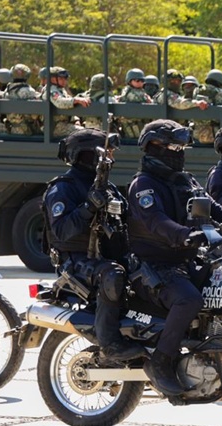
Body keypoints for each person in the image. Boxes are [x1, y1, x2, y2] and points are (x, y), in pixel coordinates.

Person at [127, 119, 222, 397]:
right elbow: (155, 221)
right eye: (173, 146)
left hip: (185, 260)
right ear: (153, 147)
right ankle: (161, 361)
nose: (179, 152)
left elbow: (213, 207)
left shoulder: (184, 179)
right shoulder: (143, 185)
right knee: (188, 299)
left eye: (182, 146)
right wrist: (184, 234)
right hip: (154, 265)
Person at [43, 128, 147, 365]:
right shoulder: (64, 188)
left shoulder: (107, 188)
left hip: (107, 256)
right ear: (89, 154)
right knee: (112, 275)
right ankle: (110, 344)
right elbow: (61, 231)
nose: (112, 156)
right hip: (76, 261)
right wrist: (88, 206)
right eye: (107, 151)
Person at [41, 66, 90, 138]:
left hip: (63, 124)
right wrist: (76, 100)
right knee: (86, 133)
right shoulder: (51, 90)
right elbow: (59, 102)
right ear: (52, 79)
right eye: (61, 78)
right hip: (54, 126)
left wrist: (75, 120)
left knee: (90, 131)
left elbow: (68, 101)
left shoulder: (61, 90)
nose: (64, 81)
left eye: (65, 79)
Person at [2, 63, 42, 136]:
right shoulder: (29, 91)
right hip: (27, 131)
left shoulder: (7, 90)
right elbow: (36, 111)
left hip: (12, 129)